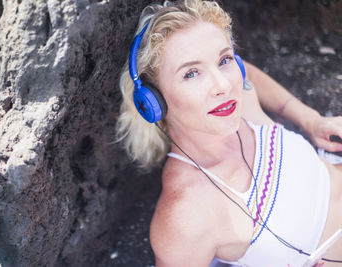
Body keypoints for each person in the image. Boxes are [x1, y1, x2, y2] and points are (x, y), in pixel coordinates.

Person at [116, 0, 342, 266]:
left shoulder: (239, 103)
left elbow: (247, 76)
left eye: (223, 59)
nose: (223, 84)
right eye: (191, 73)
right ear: (153, 103)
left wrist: (309, 119)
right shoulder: (185, 215)